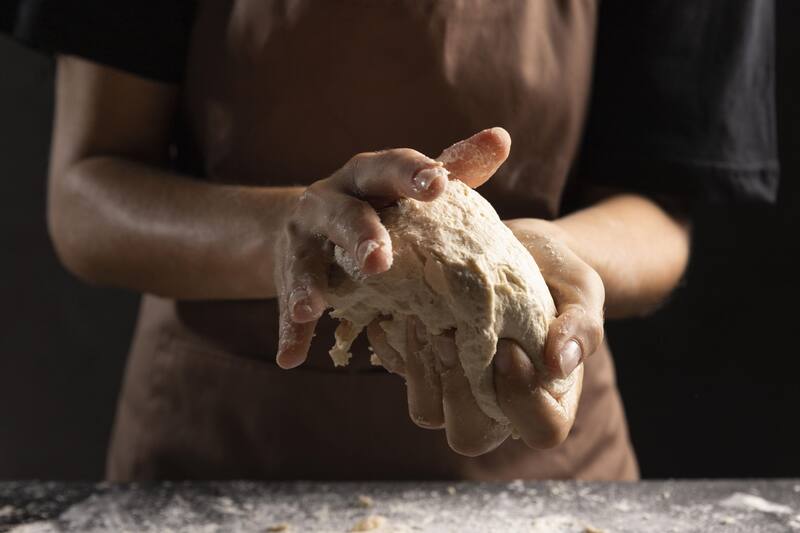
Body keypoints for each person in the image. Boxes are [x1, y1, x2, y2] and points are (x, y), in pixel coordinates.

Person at [8, 0, 777, 481]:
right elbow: (87, 191)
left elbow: (656, 209)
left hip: (535, 463)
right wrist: (291, 231)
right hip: (221, 460)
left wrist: (526, 263)